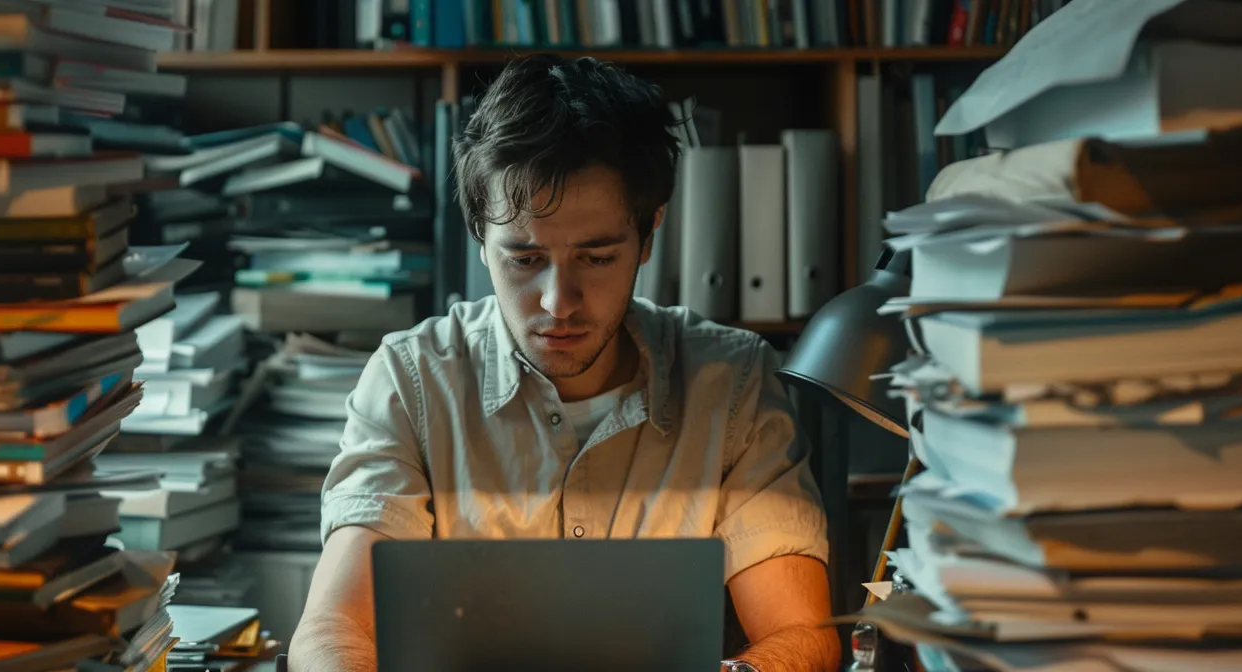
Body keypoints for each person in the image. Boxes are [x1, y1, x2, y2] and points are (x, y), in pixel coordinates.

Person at [290, 53, 841, 672]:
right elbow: (334, 630)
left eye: (597, 257)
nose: (558, 303)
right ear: (479, 234)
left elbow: (803, 635)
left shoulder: (732, 383)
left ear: (649, 233)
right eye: (524, 259)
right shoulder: (412, 380)